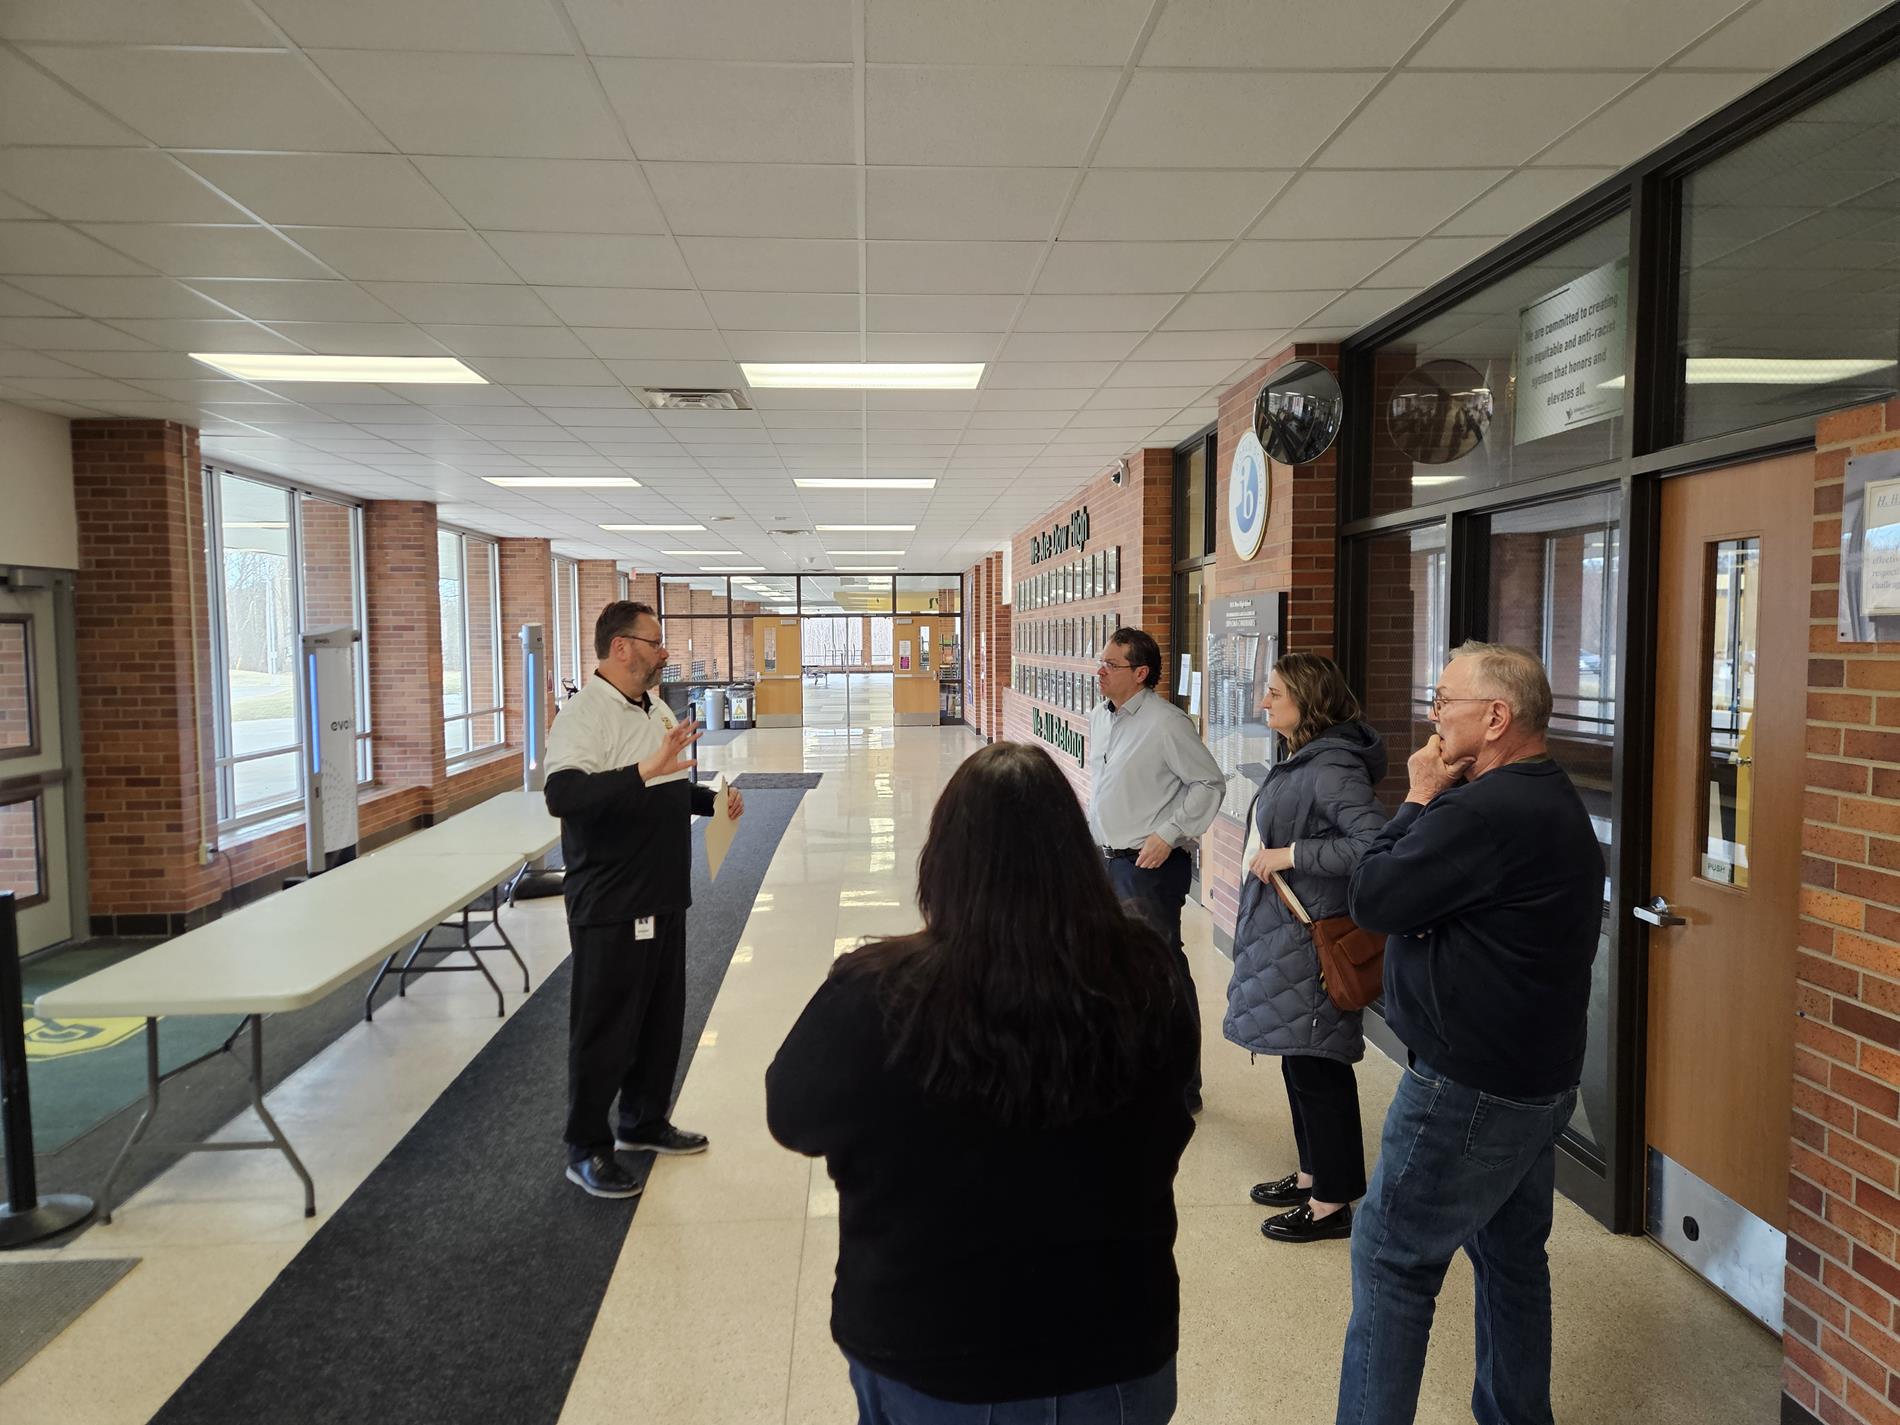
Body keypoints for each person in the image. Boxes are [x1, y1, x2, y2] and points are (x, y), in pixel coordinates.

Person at [766, 741, 1198, 1425]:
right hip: (1115, 1344)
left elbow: (791, 1113)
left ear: (943, 860)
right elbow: (1172, 1118)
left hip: (930, 1349)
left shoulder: (876, 991)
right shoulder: (1147, 975)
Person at [1334, 642, 1603, 1425]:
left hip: (1471, 1091)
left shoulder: (1485, 809)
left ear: (1495, 717)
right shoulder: (1548, 794)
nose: (1431, 717)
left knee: (1390, 1260)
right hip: (1534, 1081)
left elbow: (1374, 897)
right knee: (1511, 1259)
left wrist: (1416, 798)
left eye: (1444, 701)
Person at [543, 600, 744, 1199]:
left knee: (660, 1017)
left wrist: (710, 802)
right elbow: (565, 796)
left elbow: (664, 786)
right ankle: (586, 1147)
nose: (664, 652)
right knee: (605, 1026)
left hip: (663, 890)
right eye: (654, 642)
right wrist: (642, 769)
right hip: (611, 899)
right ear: (621, 646)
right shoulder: (583, 716)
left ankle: (643, 1120)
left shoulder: (653, 706)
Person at [1225, 653, 1386, 1244]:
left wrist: (1292, 855)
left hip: (1313, 939)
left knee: (1320, 1067)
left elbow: (1372, 845)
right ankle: (1314, 1173)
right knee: (1301, 1058)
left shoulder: (1333, 765)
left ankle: (1332, 1202)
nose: (1264, 702)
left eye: (1274, 693)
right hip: (1289, 936)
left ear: (1308, 700)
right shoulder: (1307, 756)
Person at [1088, 625, 1224, 1108]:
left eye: (1110, 664)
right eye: (1100, 661)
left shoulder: (1167, 724)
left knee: (1161, 972)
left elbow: (1209, 783)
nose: (1099, 670)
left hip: (1147, 869)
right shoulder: (1101, 717)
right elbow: (1102, 789)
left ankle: (1183, 1085)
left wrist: (1169, 834)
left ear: (1140, 673)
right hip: (1106, 863)